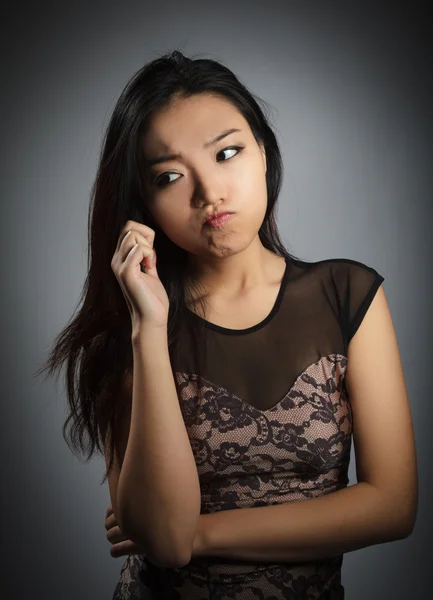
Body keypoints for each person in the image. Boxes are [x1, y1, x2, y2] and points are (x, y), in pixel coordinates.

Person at [35, 50, 418, 599]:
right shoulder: (131, 327)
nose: (208, 192)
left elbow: (392, 506)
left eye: (227, 153)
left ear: (263, 152)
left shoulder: (347, 295)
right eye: (170, 175)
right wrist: (147, 327)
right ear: (144, 203)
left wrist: (204, 533)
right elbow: (164, 543)